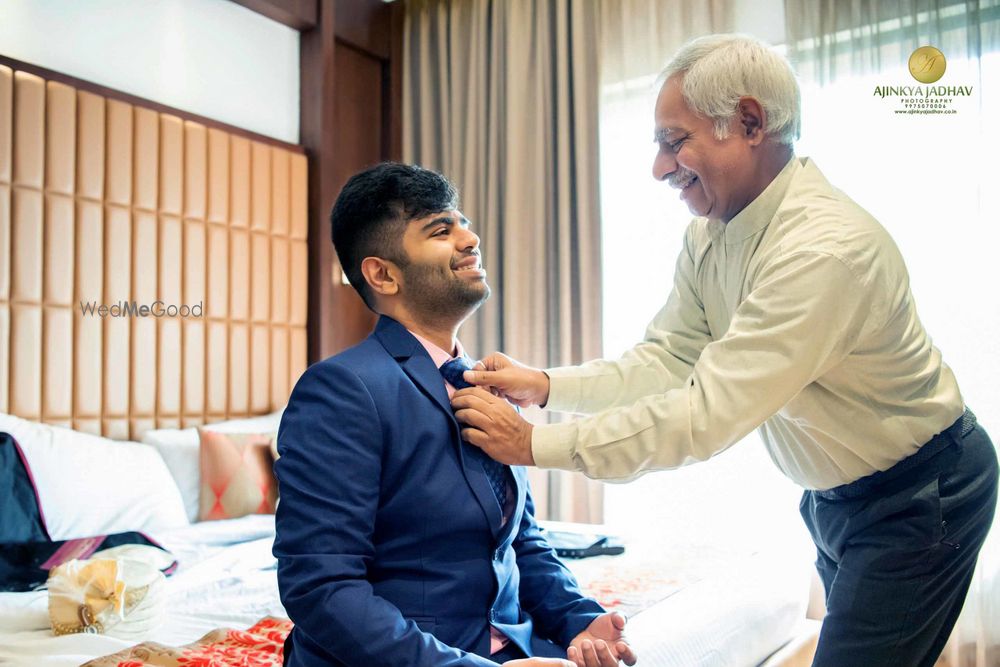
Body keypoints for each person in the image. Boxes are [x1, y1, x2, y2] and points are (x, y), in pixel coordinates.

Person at [451, 34, 998, 667]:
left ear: (749, 123)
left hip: (921, 491)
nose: (660, 168)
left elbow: (704, 415)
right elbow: (667, 360)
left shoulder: (822, 252)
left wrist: (531, 446)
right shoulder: (711, 234)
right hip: (836, 494)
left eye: (673, 141)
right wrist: (545, 385)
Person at [273, 163, 637, 667]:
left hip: (516, 650)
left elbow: (521, 543)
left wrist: (578, 619)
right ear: (382, 273)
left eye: (463, 223)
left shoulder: (484, 382)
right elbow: (322, 588)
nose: (471, 238)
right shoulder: (343, 389)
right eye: (441, 230)